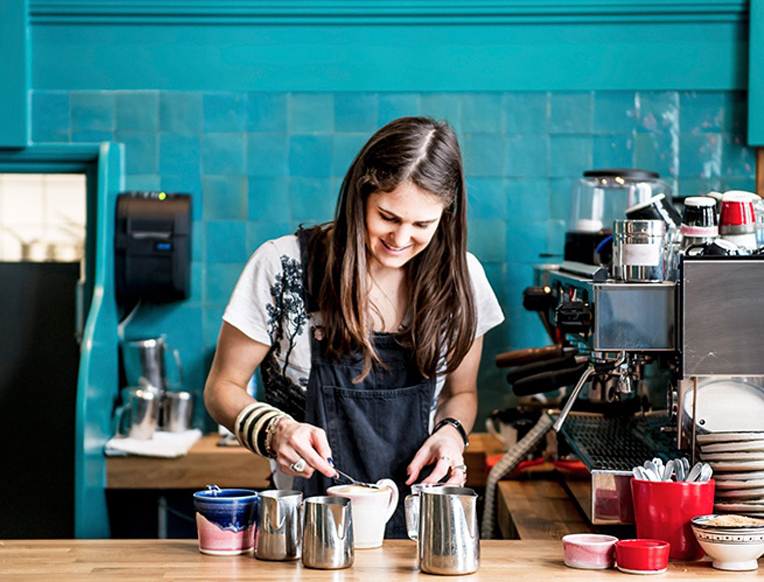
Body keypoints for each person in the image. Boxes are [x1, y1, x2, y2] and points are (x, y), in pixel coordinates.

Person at [204, 116, 504, 538]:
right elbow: (221, 389)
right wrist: (277, 430)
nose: (401, 238)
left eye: (422, 225)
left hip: (420, 535)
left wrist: (452, 435)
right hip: (304, 531)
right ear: (359, 196)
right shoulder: (285, 267)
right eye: (387, 216)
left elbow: (462, 393)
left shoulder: (461, 280)